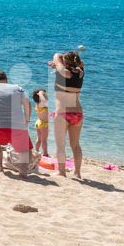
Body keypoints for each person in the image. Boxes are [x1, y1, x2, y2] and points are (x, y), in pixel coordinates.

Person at [0, 70, 33, 176]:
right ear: (7, 79)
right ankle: (23, 172)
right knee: (26, 150)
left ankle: (0, 168)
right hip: (18, 127)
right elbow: (27, 105)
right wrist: (27, 120)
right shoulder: (18, 88)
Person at [49, 50, 86, 179]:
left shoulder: (63, 72)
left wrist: (56, 62)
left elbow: (56, 54)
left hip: (63, 113)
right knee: (75, 144)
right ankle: (77, 173)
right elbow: (76, 65)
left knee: (60, 145)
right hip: (77, 112)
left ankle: (62, 172)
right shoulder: (81, 73)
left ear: (64, 63)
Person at [31, 88, 51, 163]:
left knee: (39, 139)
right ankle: (45, 154)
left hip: (39, 122)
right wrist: (41, 94)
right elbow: (44, 100)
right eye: (45, 94)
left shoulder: (38, 104)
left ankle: (36, 151)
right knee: (44, 140)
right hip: (44, 124)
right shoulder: (42, 103)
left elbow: (43, 113)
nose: (46, 95)